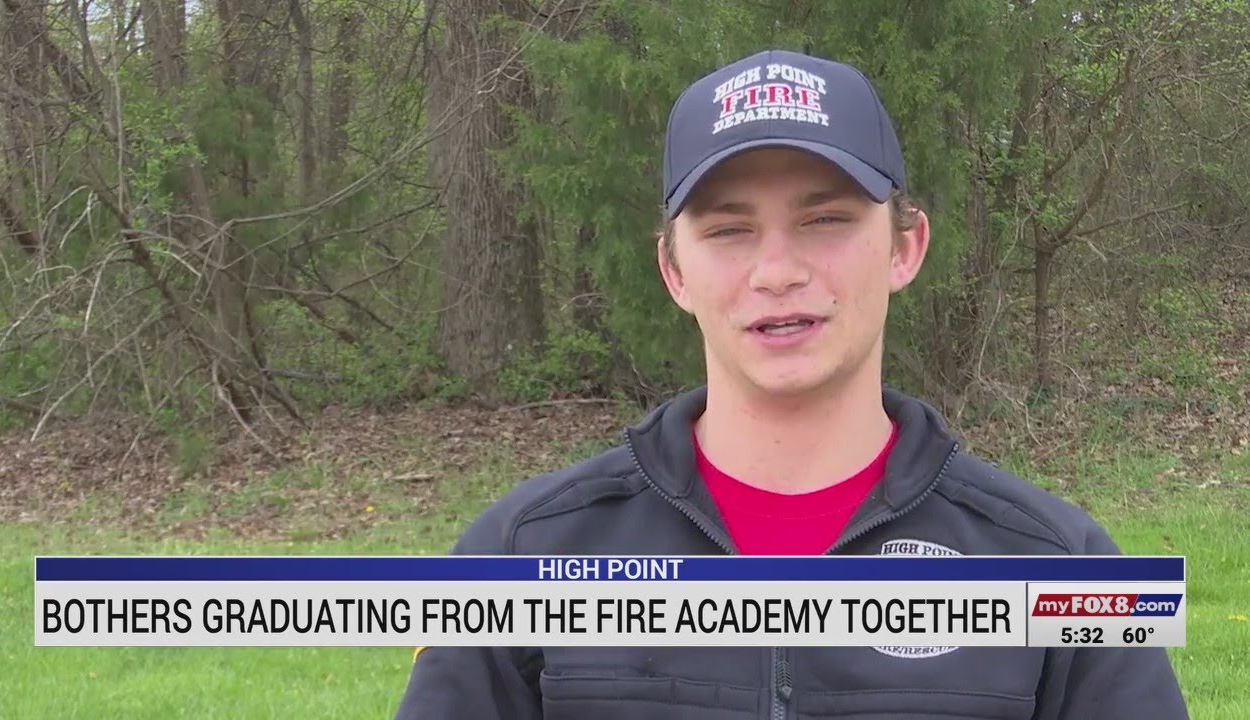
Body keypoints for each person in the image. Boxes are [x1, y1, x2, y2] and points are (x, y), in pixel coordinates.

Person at [394, 49, 1188, 720]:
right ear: (674, 270)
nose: (777, 271)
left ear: (905, 248)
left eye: (825, 219)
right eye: (729, 230)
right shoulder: (522, 556)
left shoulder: (1061, 569)